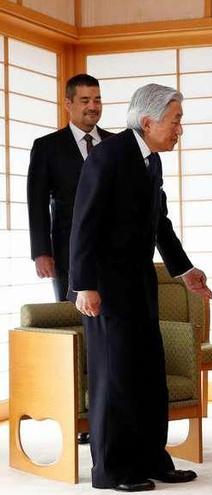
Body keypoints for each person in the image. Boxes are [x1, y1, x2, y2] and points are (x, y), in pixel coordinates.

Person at [69, 84, 212, 492]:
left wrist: (184, 270)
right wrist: (84, 286)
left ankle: (152, 459)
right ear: (148, 122)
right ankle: (112, 471)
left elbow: (159, 223)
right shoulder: (109, 156)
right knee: (115, 379)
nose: (179, 129)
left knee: (149, 376)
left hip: (140, 285)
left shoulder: (150, 160)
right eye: (176, 120)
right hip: (105, 289)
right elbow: (84, 223)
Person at [27, 73, 112, 446]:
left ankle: (106, 411)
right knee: (78, 329)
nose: (92, 106)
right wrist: (40, 251)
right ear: (68, 104)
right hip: (66, 254)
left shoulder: (115, 144)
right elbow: (35, 202)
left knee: (108, 330)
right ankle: (79, 412)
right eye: (84, 100)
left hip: (112, 254)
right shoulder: (47, 147)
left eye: (97, 99)